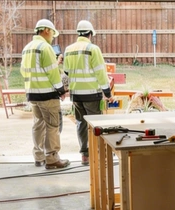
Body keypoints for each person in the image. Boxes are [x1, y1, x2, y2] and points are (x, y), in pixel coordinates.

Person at [21, 19, 70, 169]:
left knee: (38, 124)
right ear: (46, 30)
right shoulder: (45, 47)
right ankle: (52, 158)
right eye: (52, 34)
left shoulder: (27, 48)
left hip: (33, 94)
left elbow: (24, 71)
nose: (52, 38)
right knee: (52, 126)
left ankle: (39, 157)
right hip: (47, 95)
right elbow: (52, 73)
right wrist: (61, 90)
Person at [62, 20, 112, 166]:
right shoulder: (93, 49)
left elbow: (66, 72)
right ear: (90, 34)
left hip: (76, 94)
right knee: (96, 123)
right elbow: (100, 73)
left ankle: (85, 155)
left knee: (81, 123)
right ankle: (97, 154)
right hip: (91, 94)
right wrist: (107, 93)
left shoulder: (68, 49)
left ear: (78, 33)